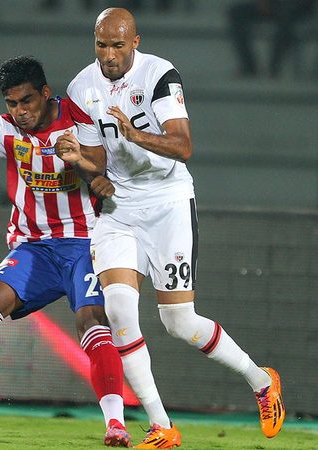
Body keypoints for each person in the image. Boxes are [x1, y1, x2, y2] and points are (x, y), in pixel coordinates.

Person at [55, 8, 285, 448]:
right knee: (119, 311)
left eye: (117, 45)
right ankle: (162, 425)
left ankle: (261, 381)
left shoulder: (159, 74)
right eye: (101, 45)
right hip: (120, 208)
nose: (108, 55)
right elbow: (97, 163)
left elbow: (183, 146)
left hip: (168, 203)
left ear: (135, 42)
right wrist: (79, 161)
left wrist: (135, 134)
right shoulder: (81, 87)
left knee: (179, 321)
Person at [0, 56, 131, 447]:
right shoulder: (3, 128)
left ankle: (116, 424)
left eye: (26, 101)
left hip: (84, 242)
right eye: (11, 103)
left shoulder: (78, 118)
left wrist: (81, 162)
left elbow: (101, 174)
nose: (20, 111)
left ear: (45, 93)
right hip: (32, 246)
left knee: (93, 323)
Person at [227, 0, 318, 78]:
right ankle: (249, 66)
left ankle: (274, 68)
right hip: (274, 4)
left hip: (298, 6)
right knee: (236, 12)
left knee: (286, 15)